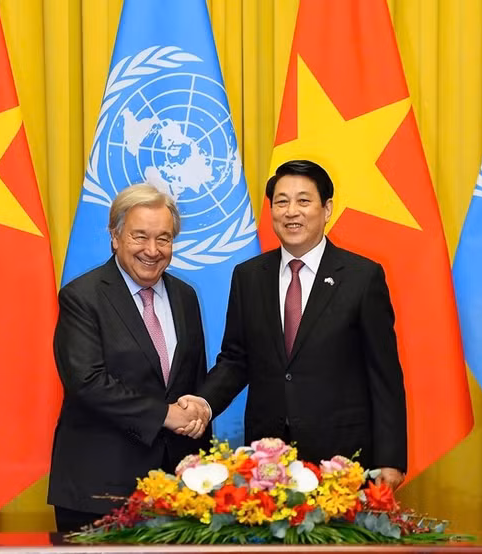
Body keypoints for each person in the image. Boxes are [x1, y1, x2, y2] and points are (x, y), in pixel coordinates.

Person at [180, 160, 407, 489]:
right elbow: (236, 358)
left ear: (327, 208)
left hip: (342, 459)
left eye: (304, 201)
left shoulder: (362, 277)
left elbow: (384, 374)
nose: (291, 212)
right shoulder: (249, 276)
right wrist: (203, 403)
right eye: (281, 201)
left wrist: (391, 457)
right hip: (267, 460)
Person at [48, 184, 211, 533]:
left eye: (164, 238)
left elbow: (192, 380)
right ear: (115, 236)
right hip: (100, 491)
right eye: (140, 237)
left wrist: (198, 415)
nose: (152, 250)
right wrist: (164, 414)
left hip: (177, 492)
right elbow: (87, 384)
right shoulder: (82, 297)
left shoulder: (185, 297)